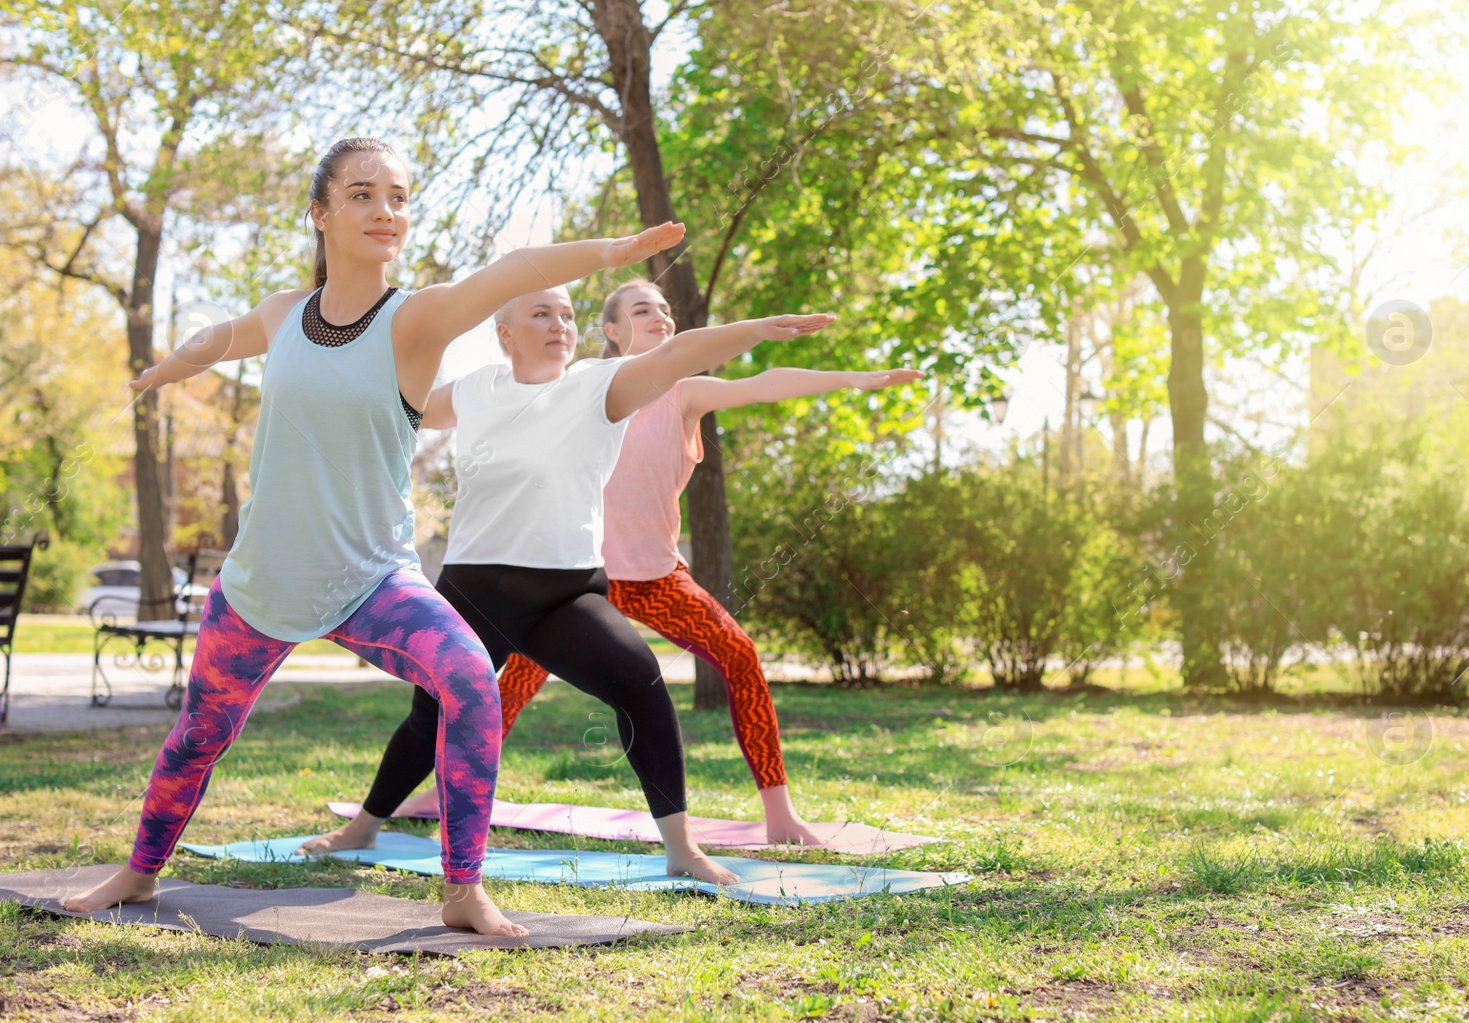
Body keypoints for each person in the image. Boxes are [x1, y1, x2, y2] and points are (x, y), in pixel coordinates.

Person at [59, 137, 683, 935]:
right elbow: (222, 337)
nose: (384, 210)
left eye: (397, 196)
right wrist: (167, 369)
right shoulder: (287, 313)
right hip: (262, 582)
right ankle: (139, 874)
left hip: (371, 580)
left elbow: (511, 271)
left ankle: (464, 888)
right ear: (319, 213)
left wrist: (615, 252)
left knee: (467, 680)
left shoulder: (414, 319)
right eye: (361, 194)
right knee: (198, 736)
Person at [298, 284, 838, 883]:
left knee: (642, 684)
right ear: (505, 333)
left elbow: (678, 353)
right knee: (430, 717)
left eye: (566, 315)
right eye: (540, 314)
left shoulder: (599, 386)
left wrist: (756, 329)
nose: (559, 324)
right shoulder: (478, 389)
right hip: (475, 593)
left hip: (566, 594)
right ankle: (366, 824)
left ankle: (682, 850)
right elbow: (395, 409)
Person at [393, 279, 923, 844]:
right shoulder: (572, 388)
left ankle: (780, 813)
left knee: (740, 657)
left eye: (667, 309)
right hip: (569, 590)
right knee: (504, 688)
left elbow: (763, 384)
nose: (662, 317)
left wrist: (856, 380)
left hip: (653, 580)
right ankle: (436, 790)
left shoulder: (681, 392)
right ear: (612, 331)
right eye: (643, 309)